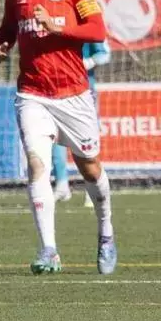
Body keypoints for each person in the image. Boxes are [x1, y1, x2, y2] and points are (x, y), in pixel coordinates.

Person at [0, 0, 118, 275]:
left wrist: (56, 25)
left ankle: (106, 231)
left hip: (73, 94)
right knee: (37, 165)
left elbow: (96, 31)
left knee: (90, 167)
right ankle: (49, 249)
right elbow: (7, 32)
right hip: (33, 94)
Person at [52, 39, 111, 204]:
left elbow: (104, 54)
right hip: (57, 89)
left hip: (83, 90)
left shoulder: (86, 24)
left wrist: (86, 62)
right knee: (55, 136)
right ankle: (61, 185)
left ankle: (93, 188)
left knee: (86, 140)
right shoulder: (51, 26)